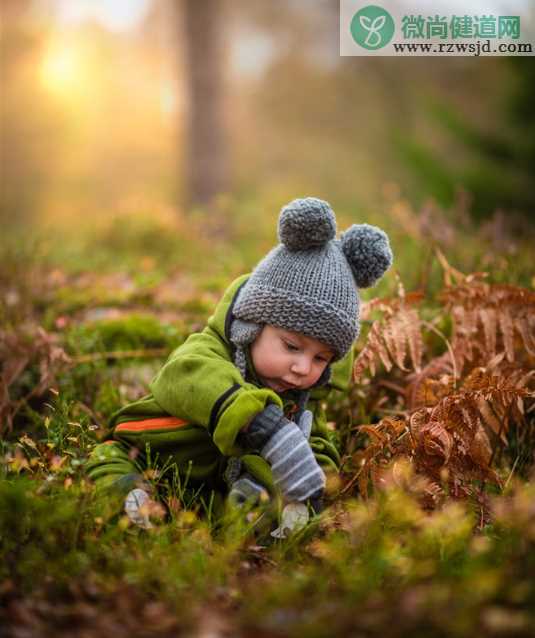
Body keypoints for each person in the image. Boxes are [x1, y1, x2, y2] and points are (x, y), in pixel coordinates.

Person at [86, 197, 393, 530]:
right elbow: (185, 376)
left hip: (206, 488)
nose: (303, 368)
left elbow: (315, 441)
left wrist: (312, 483)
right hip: (144, 452)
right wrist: (262, 424)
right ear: (252, 326)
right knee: (112, 466)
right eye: (291, 346)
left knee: (256, 505)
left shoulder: (301, 397)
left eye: (321, 358)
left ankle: (241, 521)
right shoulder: (208, 352)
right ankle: (131, 502)